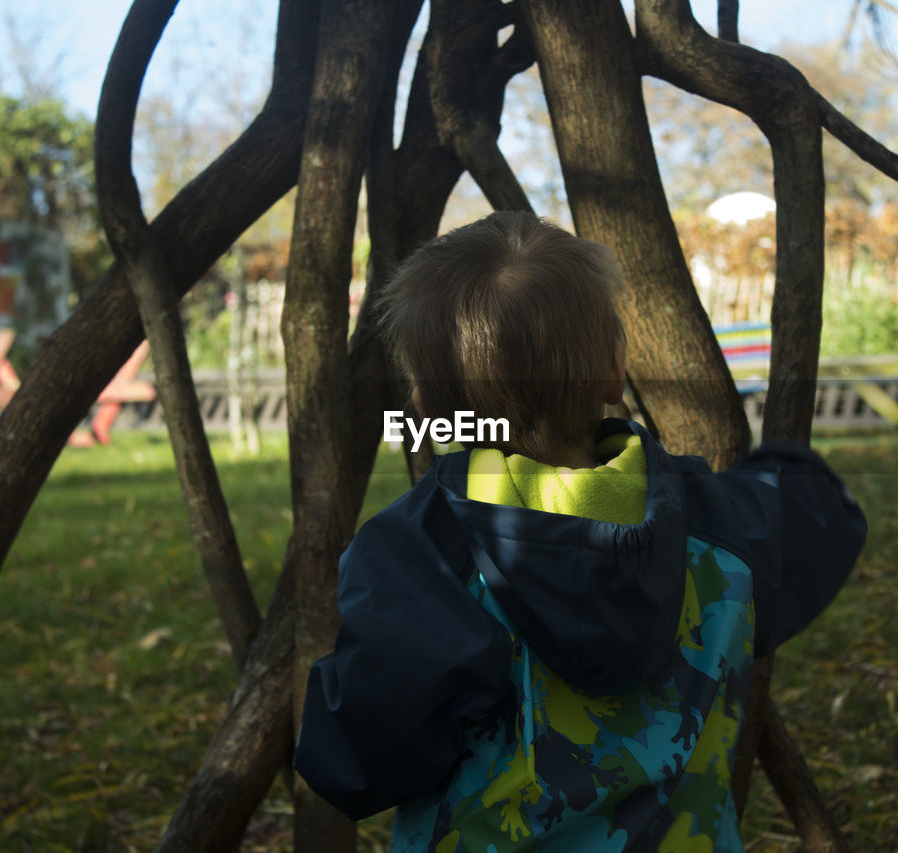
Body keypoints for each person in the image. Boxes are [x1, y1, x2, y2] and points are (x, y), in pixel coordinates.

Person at [294, 211, 866, 852]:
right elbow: (825, 510)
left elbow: (353, 765)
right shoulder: (722, 524)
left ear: (425, 406)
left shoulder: (419, 555)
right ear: (615, 370)